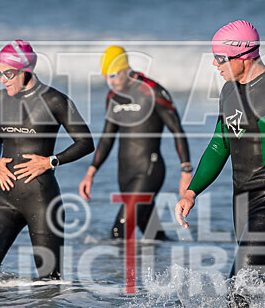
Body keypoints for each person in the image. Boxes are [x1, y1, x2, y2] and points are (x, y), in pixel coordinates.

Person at [174, 20, 265, 293]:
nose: (215, 64)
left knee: (239, 281)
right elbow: (220, 145)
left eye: (220, 58)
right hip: (241, 201)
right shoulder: (228, 91)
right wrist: (192, 191)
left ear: (244, 56)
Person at [0, 40, 94, 279]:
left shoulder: (55, 101)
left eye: (8, 73)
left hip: (41, 201)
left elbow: (86, 142)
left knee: (49, 283)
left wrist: (50, 161)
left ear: (25, 70)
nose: (2, 79)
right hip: (3, 200)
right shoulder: (1, 99)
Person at [79, 45, 192, 240]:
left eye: (114, 75)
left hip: (149, 171)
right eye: (106, 77)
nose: (110, 81)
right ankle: (172, 260)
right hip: (125, 175)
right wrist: (90, 172)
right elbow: (107, 137)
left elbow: (177, 130)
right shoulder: (113, 96)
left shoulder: (152, 91)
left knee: (119, 232)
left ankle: (114, 272)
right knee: (152, 233)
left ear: (125, 69)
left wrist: (186, 170)